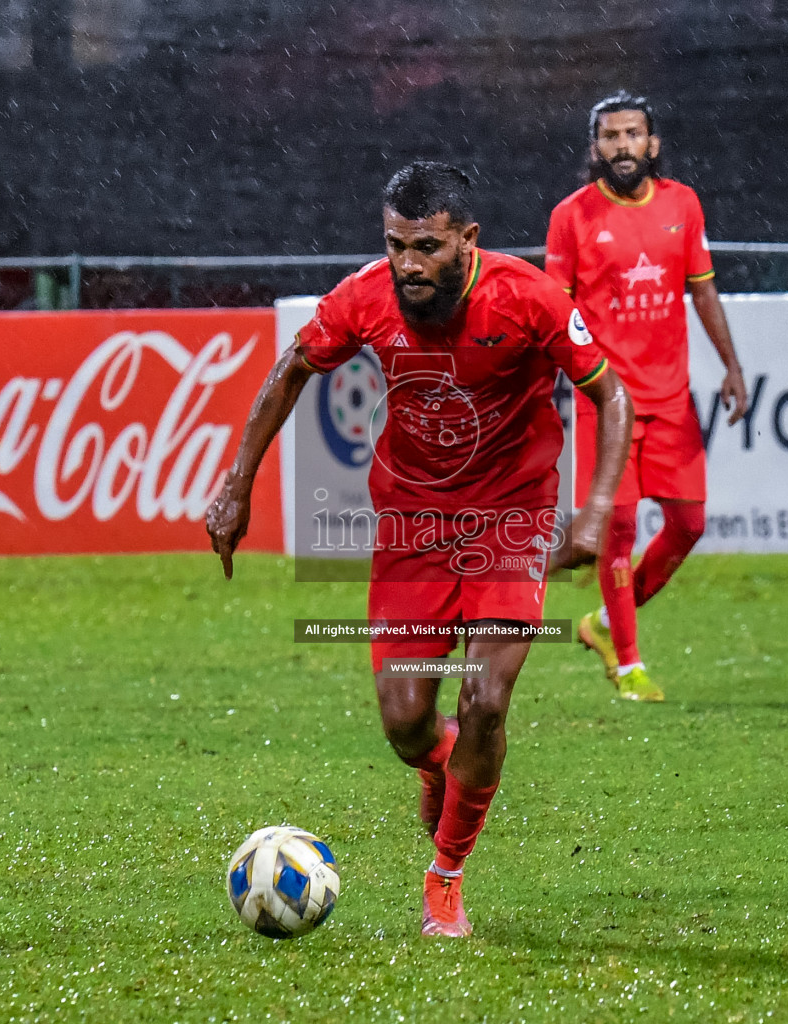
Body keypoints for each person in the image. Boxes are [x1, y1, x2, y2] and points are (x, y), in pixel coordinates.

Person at [206, 161, 633, 935]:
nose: (408, 264)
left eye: (427, 247)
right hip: (412, 524)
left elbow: (612, 393)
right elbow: (291, 369)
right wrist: (237, 485)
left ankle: (446, 876)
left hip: (511, 520)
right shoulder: (366, 296)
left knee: (486, 699)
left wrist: (597, 508)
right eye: (397, 244)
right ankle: (448, 766)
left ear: (467, 239)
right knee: (406, 722)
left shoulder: (527, 297)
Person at [545, 91, 749, 702]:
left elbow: (703, 292)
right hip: (605, 400)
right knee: (621, 525)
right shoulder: (573, 216)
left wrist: (732, 366)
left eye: (633, 134)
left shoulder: (682, 204)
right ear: (595, 148)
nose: (622, 145)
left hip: (671, 397)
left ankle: (604, 624)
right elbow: (556, 312)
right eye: (610, 136)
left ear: (651, 144)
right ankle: (629, 664)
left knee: (689, 523)